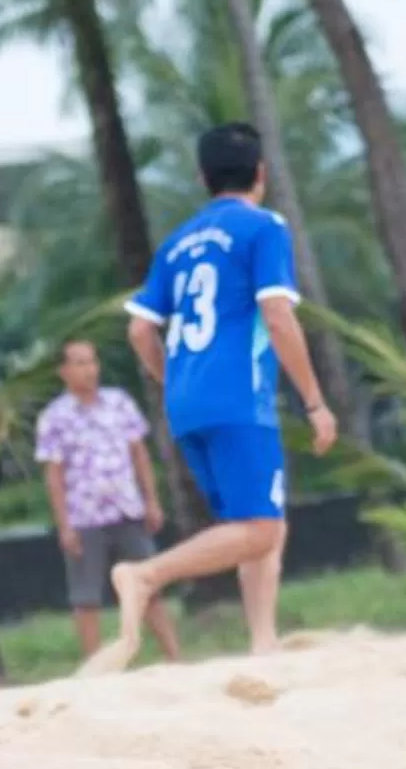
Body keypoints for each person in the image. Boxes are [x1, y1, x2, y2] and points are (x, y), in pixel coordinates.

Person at [85, 122, 339, 675]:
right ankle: (145, 575)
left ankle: (263, 641)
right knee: (262, 527)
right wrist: (315, 402)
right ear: (262, 174)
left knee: (256, 521)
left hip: (187, 405)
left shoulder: (177, 242)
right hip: (239, 399)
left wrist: (172, 380)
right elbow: (277, 314)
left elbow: (138, 332)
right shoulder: (263, 227)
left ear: (202, 177)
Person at [35, 339, 181, 663]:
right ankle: (94, 663)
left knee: (148, 585)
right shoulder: (54, 417)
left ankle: (174, 655)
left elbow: (139, 454)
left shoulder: (119, 403)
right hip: (84, 515)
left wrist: (151, 500)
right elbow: (54, 474)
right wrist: (64, 525)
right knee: (87, 596)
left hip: (126, 507)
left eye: (92, 362)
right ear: (64, 371)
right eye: (80, 363)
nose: (89, 370)